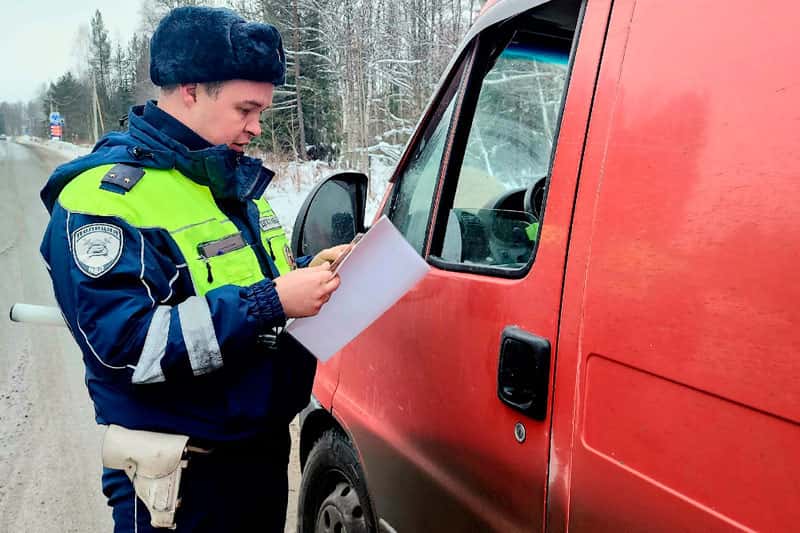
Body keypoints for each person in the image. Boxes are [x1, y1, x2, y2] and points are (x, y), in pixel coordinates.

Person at [39, 6, 345, 532]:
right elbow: (130, 349)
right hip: (178, 482)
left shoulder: (224, 182)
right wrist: (271, 300)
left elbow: (238, 283)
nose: (254, 127)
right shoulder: (102, 200)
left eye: (262, 113)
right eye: (245, 109)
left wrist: (307, 273)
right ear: (190, 89)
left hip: (256, 457)